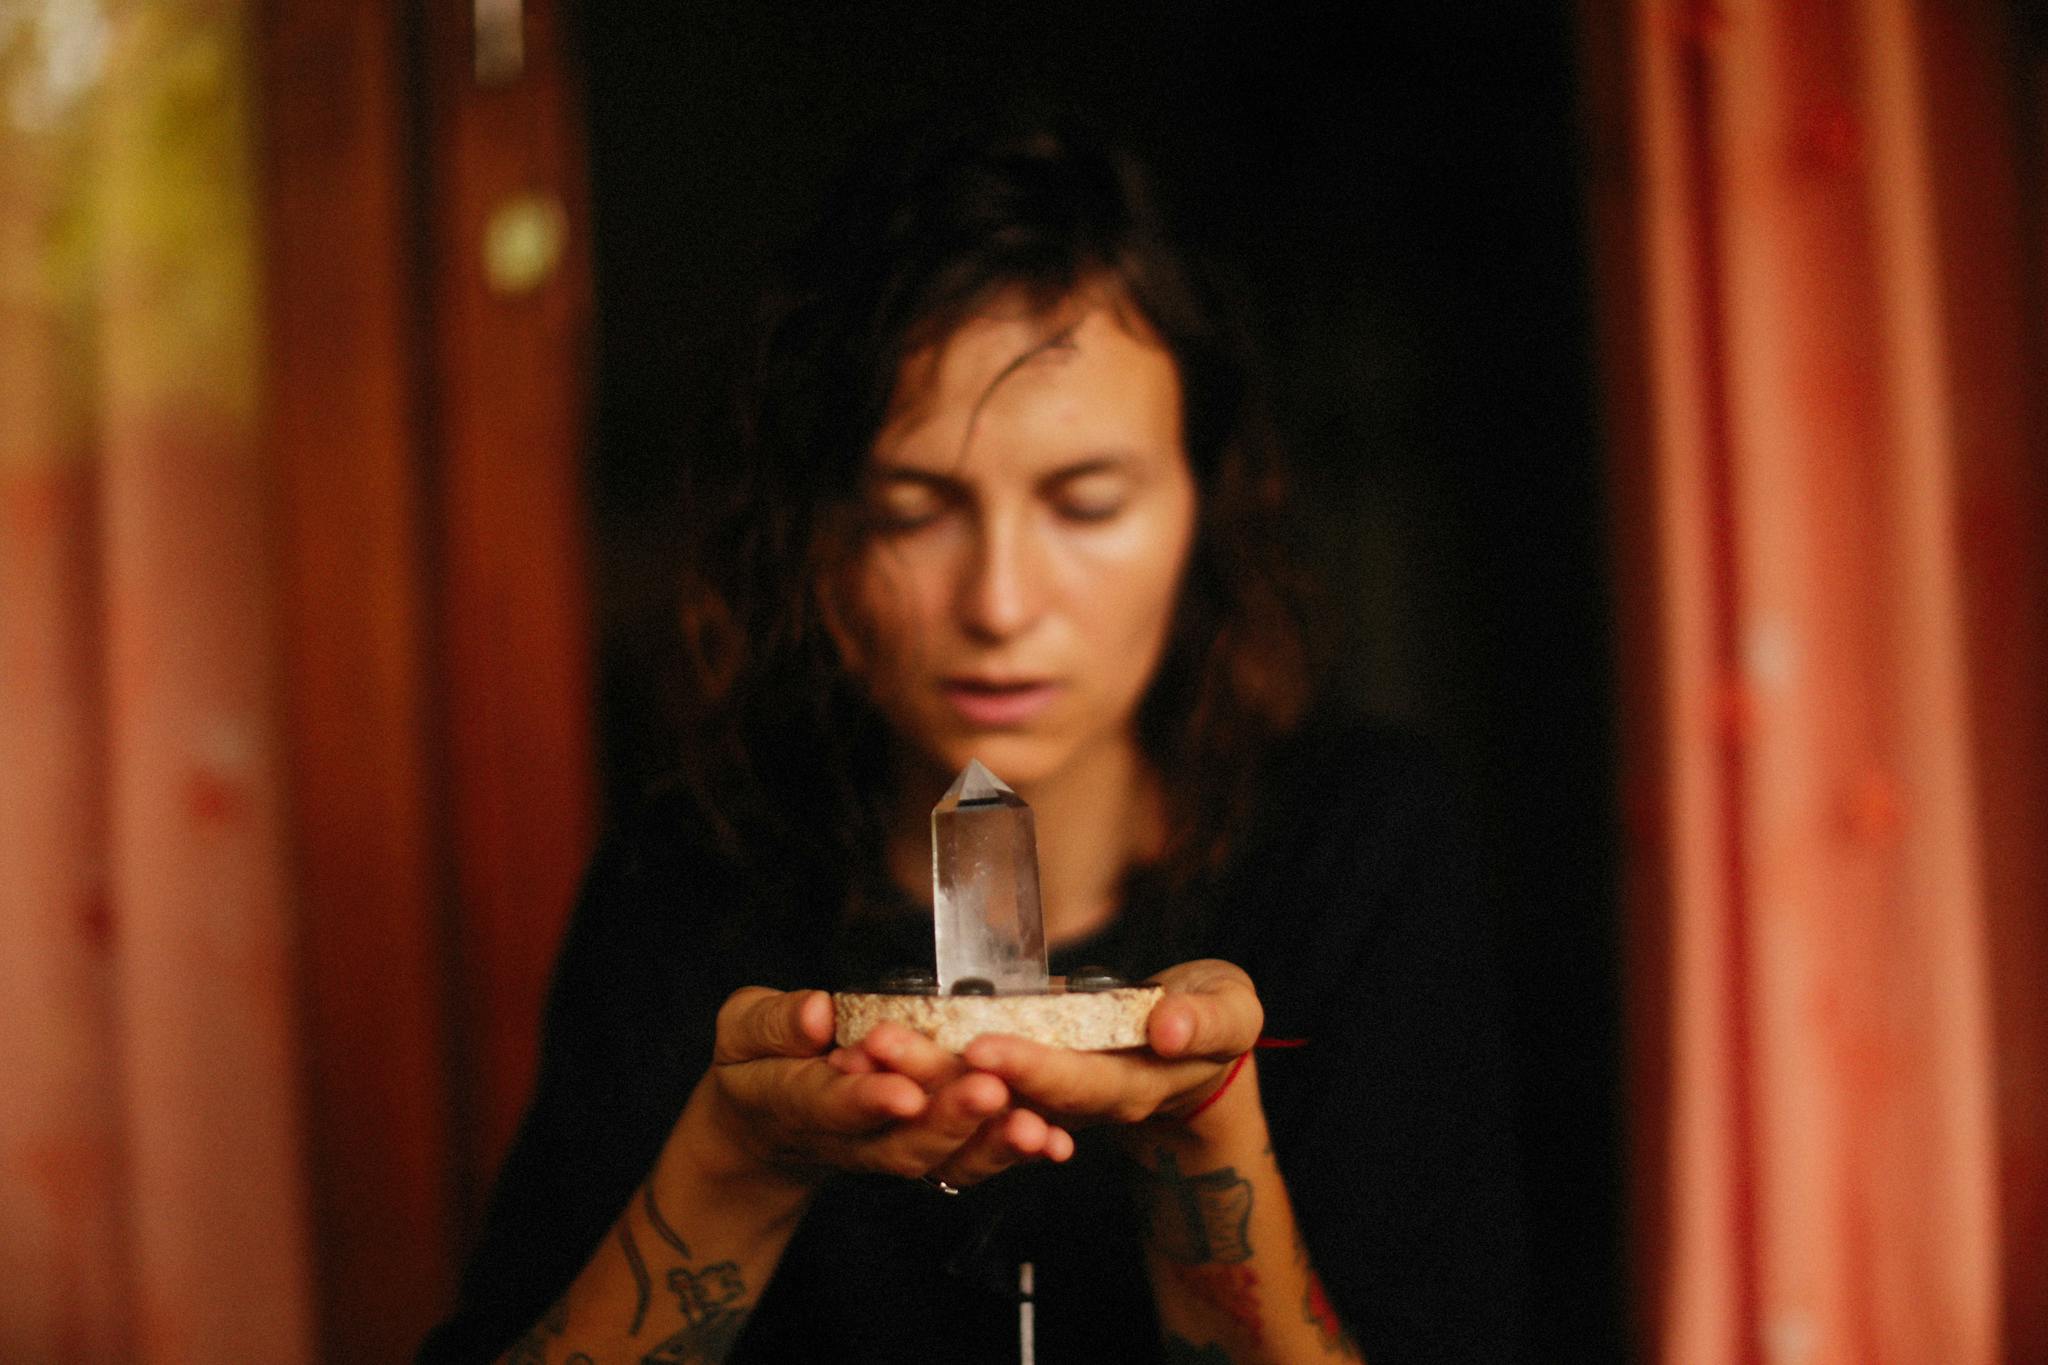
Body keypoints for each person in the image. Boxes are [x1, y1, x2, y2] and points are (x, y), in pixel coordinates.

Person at [419, 112, 1526, 1365]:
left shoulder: (1357, 847)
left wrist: (1205, 1137)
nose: (998, 602)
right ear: (819, 529)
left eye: (1085, 502)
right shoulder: (685, 883)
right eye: (911, 509)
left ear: (1201, 512)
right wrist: (736, 1162)